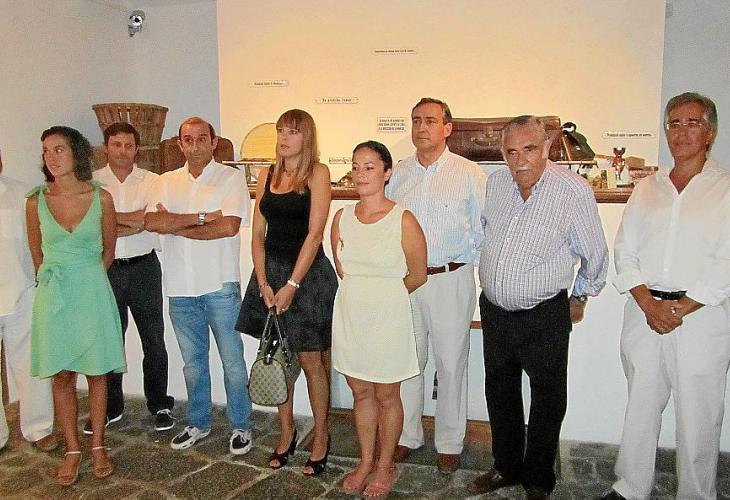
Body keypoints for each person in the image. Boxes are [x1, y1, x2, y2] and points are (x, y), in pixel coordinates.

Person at [470, 116, 607, 499]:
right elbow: (487, 234)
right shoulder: (497, 184)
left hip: (544, 314)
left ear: (547, 147)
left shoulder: (572, 191)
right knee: (500, 392)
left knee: (547, 397)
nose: (520, 161)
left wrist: (580, 296)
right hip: (495, 311)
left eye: (529, 149)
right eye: (511, 152)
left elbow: (595, 255)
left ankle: (538, 478)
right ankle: (506, 466)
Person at [602, 92, 730, 500]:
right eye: (674, 123)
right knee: (640, 404)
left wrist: (681, 307)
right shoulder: (648, 188)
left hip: (701, 317)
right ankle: (630, 487)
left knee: (699, 415)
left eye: (693, 123)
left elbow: (726, 261)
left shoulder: (725, 189)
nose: (681, 132)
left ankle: (696, 494)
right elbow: (625, 250)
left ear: (710, 133)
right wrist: (648, 303)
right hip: (645, 313)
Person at [385, 97, 487, 473]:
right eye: (416, 120)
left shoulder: (469, 173)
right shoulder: (399, 174)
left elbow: (483, 229)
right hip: (408, 281)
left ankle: (449, 442)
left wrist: (470, 271)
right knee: (409, 361)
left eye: (430, 120)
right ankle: (407, 436)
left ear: (447, 128)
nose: (421, 127)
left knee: (451, 362)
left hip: (451, 278)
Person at [236, 109, 337, 475]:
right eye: (281, 130)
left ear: (306, 137)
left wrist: (292, 284)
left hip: (306, 277)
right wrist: (264, 282)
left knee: (311, 362)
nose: (283, 137)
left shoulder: (318, 173)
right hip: (271, 275)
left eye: (292, 131)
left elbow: (315, 234)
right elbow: (256, 234)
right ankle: (286, 433)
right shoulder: (267, 174)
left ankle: (321, 437)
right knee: (277, 357)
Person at [145, 117, 253, 455]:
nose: (195, 146)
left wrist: (174, 224)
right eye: (188, 140)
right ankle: (198, 422)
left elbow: (228, 227)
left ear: (213, 142)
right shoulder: (165, 182)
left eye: (201, 139)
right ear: (180, 144)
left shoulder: (230, 178)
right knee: (192, 364)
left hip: (220, 285)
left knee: (233, 363)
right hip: (180, 288)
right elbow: (153, 221)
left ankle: (241, 425)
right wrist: (202, 217)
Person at [25, 126, 126, 485]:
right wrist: (59, 283)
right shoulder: (35, 201)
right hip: (55, 296)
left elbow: (109, 251)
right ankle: (71, 449)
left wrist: (87, 280)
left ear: (77, 153)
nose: (51, 157)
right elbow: (37, 254)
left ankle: (97, 445)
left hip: (92, 292)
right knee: (62, 375)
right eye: (46, 151)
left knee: (97, 372)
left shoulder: (102, 198)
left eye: (59, 149)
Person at [331, 140, 427, 496]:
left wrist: (386, 298)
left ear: (387, 173)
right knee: (360, 392)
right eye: (356, 166)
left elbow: (418, 275)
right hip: (351, 316)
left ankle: (385, 465)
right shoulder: (341, 218)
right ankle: (365, 460)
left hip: (388, 318)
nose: (360, 174)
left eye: (369, 167)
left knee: (387, 394)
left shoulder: (403, 220)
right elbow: (342, 268)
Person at [89, 122, 174, 434]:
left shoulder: (153, 180)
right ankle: (111, 407)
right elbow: (93, 224)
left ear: (136, 149)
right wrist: (130, 221)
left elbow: (150, 221)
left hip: (144, 268)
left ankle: (160, 404)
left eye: (128, 145)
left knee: (154, 339)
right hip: (106, 268)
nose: (122, 151)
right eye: (116, 145)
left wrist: (110, 221)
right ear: (106, 147)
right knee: (110, 340)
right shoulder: (92, 183)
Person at [0, 147, 56, 453]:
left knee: (32, 366)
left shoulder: (24, 195)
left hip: (22, 294)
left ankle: (39, 428)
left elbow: (39, 242)